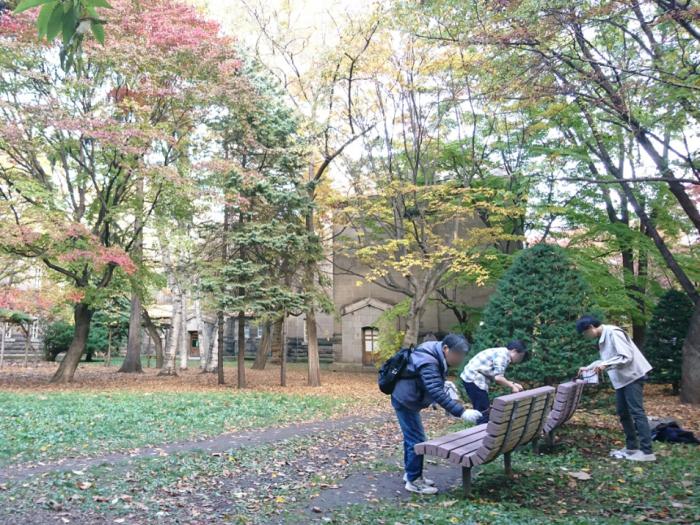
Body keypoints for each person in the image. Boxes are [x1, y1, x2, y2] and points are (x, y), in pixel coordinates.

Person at [391, 334, 481, 495]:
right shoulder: (429, 360)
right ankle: (413, 481)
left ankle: (411, 474)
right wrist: (461, 411)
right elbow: (434, 389)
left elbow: (431, 383)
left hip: (408, 397)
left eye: (462, 355)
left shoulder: (434, 352)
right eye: (458, 355)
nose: (460, 359)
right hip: (405, 400)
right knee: (416, 440)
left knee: (412, 438)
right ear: (446, 349)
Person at [576, 315, 655, 462]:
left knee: (637, 412)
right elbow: (606, 360)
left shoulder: (613, 332)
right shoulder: (602, 338)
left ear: (590, 328)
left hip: (633, 376)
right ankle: (632, 447)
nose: (586, 336)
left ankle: (647, 451)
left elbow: (626, 356)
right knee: (622, 412)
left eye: (585, 333)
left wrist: (605, 365)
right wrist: (589, 367)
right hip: (621, 380)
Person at [460, 340, 529, 424]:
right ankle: (481, 432)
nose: (520, 359)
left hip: (471, 378)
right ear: (514, 351)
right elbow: (498, 378)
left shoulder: (501, 352)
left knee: (482, 409)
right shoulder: (503, 355)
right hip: (474, 379)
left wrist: (513, 384)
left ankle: (480, 429)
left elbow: (495, 375)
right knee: (483, 412)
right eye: (520, 356)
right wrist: (512, 387)